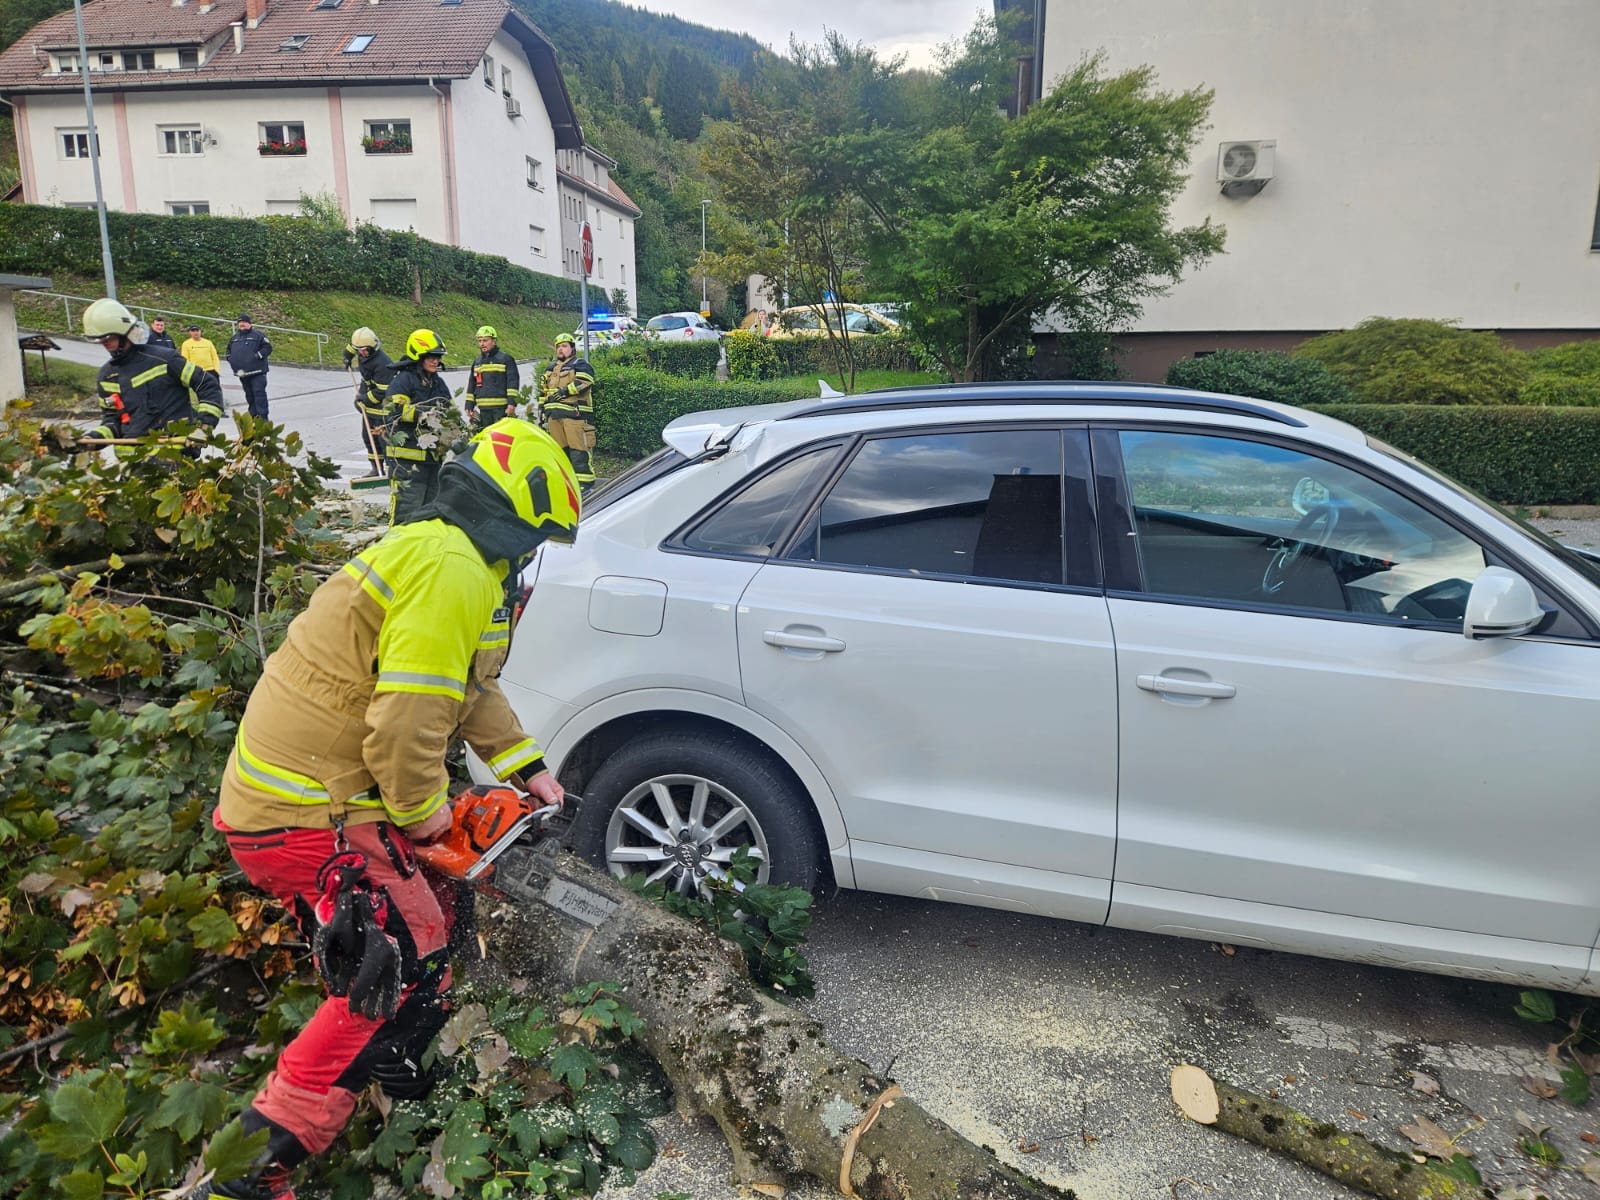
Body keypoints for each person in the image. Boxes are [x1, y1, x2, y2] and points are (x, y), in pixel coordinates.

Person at [192, 420, 581, 1200]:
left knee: (430, 919)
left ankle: (388, 1057)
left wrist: (527, 769)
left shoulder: (454, 559)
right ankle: (254, 1168)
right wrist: (431, 819)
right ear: (514, 516)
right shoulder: (453, 569)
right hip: (306, 810)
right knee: (395, 957)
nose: (531, 557)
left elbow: (467, 689)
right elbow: (407, 718)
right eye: (535, 539)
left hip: (311, 795)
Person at [82, 298, 224, 439]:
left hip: (174, 454)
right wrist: (93, 438)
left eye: (108, 337)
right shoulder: (107, 376)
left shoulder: (166, 359)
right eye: (100, 339)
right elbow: (113, 420)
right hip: (131, 459)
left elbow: (208, 385)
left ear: (123, 333)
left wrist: (203, 427)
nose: (104, 343)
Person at [385, 329, 458, 524]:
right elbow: (392, 412)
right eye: (431, 357)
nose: (435, 361)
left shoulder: (437, 383)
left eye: (438, 357)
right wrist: (421, 415)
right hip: (407, 463)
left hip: (432, 461)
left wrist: (457, 433)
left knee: (429, 516)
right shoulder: (403, 381)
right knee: (405, 516)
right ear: (418, 356)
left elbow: (450, 412)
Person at [537, 333, 596, 491]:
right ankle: (568, 487)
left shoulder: (580, 364)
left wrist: (565, 391)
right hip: (554, 417)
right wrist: (542, 409)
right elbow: (544, 391)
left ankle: (585, 486)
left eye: (564, 346)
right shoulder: (551, 369)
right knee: (560, 454)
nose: (560, 350)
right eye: (558, 347)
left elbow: (585, 381)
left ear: (572, 348)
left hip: (575, 417)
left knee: (579, 453)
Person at [342, 327, 396, 474]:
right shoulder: (361, 349)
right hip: (368, 396)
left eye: (365, 350)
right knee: (368, 436)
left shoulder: (383, 364)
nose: (362, 353)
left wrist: (364, 399)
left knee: (383, 439)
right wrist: (347, 357)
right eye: (359, 350)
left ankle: (391, 469)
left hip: (382, 406)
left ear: (373, 347)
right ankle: (375, 468)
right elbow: (351, 348)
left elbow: (382, 391)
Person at [464, 325, 519, 432]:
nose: (482, 344)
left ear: (494, 341)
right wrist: (469, 405)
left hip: (501, 409)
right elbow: (472, 384)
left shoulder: (505, 359)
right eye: (479, 341)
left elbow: (512, 383)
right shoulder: (477, 362)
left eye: (485, 340)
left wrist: (511, 403)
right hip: (483, 410)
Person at [227, 314, 273, 420]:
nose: (242, 324)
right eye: (239, 322)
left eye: (244, 322)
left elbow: (267, 348)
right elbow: (228, 351)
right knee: (249, 395)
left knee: (259, 393)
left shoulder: (258, 335)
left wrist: (258, 356)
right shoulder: (234, 338)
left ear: (249, 323)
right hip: (242, 373)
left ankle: (263, 418)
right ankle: (253, 417)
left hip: (258, 371)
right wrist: (231, 359)